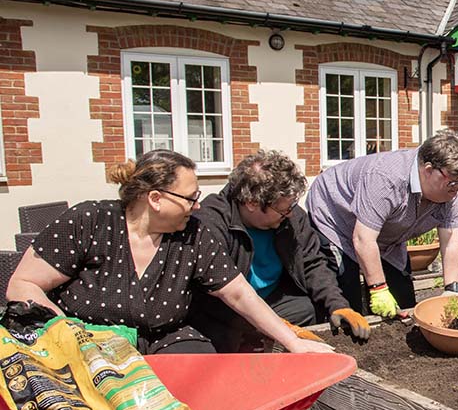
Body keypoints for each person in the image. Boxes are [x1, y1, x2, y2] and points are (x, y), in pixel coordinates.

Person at [5, 149, 333, 355]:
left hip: (163, 340)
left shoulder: (193, 235)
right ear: (156, 199)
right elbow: (23, 285)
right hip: (88, 345)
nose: (198, 205)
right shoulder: (90, 221)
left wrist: (293, 343)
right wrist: (72, 339)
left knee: (206, 379)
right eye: (190, 197)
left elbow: (238, 293)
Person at [191, 150, 370, 353]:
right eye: (283, 210)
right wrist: (280, 327)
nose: (290, 213)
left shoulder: (291, 218)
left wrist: (338, 304)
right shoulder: (211, 222)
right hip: (225, 311)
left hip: (273, 299)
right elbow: (218, 296)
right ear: (252, 203)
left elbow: (312, 263)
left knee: (308, 308)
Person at [307, 131, 458, 318]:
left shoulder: (447, 188)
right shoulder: (385, 179)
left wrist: (452, 289)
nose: (457, 188)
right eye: (452, 182)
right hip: (335, 218)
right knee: (348, 306)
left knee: (404, 302)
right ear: (427, 170)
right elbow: (363, 240)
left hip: (385, 234)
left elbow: (450, 239)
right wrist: (378, 288)